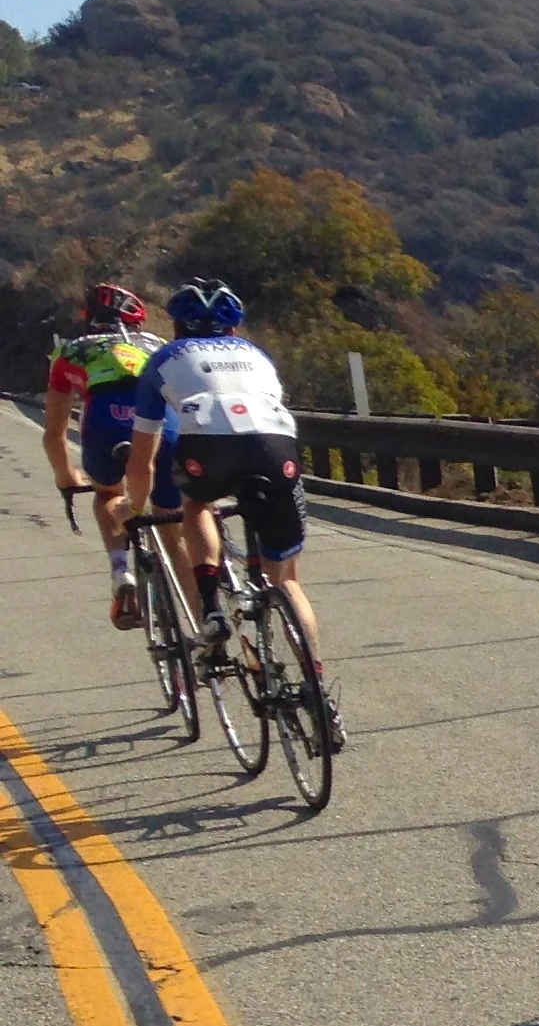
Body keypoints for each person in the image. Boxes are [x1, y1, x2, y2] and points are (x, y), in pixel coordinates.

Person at [122, 280, 344, 751]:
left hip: (208, 450)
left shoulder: (163, 360)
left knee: (197, 504)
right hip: (275, 450)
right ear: (235, 327)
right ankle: (317, 689)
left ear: (176, 326)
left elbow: (143, 458)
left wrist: (135, 508)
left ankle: (211, 606)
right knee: (288, 580)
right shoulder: (257, 355)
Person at [39, 281, 174, 628]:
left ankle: (120, 570)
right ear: (137, 321)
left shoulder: (72, 351)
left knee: (108, 495)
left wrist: (67, 477)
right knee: (172, 506)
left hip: (104, 423)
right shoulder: (158, 346)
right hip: (159, 426)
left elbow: (53, 434)